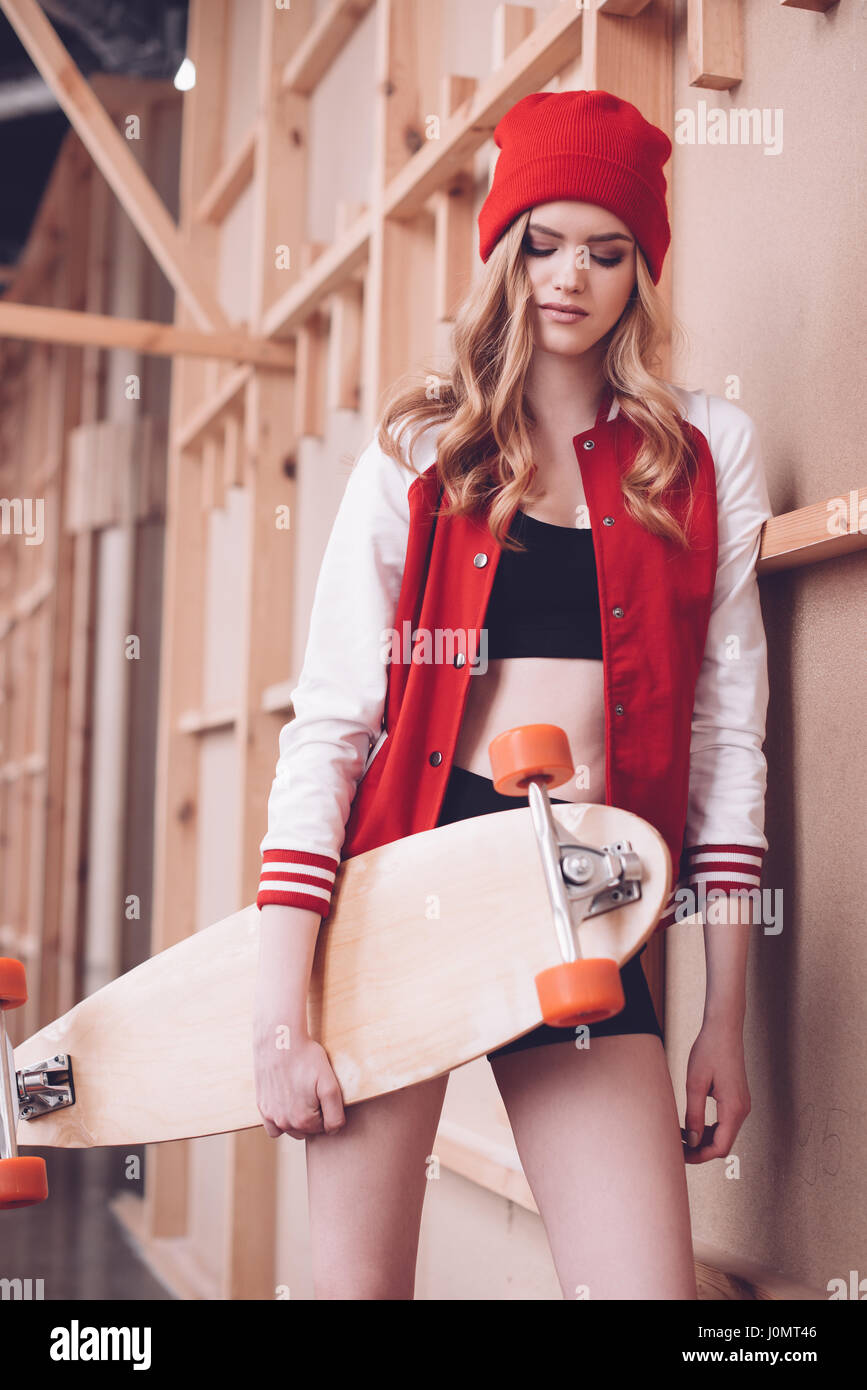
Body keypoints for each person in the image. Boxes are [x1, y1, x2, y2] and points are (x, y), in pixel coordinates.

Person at [253, 90, 773, 1300]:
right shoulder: (419, 455)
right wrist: (281, 1016)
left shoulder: (704, 454)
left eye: (606, 249)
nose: (570, 277)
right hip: (404, 893)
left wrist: (726, 1021)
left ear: (642, 267)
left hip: (584, 902)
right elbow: (333, 728)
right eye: (543, 243)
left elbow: (724, 744)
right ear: (502, 250)